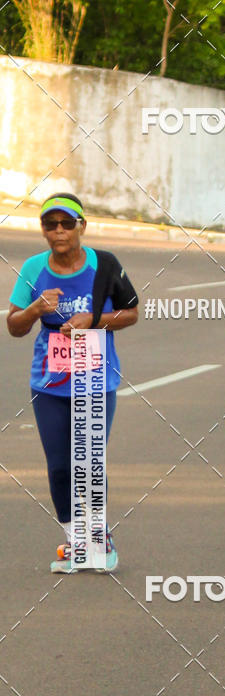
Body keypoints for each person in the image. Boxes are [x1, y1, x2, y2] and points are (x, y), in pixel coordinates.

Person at [6, 193, 139, 573]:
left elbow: (131, 312)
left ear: (83, 226)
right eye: (51, 224)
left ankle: (101, 539)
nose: (60, 231)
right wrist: (35, 309)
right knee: (60, 465)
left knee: (90, 462)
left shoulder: (105, 265)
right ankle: (75, 540)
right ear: (44, 230)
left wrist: (93, 321)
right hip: (49, 382)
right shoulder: (33, 268)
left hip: (96, 380)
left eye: (67, 223)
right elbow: (14, 326)